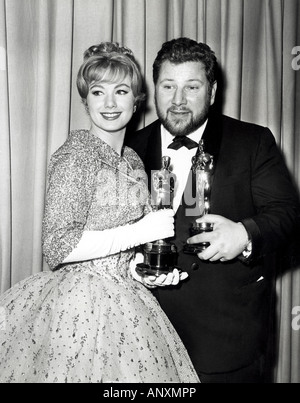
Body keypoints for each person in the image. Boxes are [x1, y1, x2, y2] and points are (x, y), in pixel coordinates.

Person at [0, 42, 200, 383]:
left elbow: (126, 249)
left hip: (128, 301)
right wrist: (140, 233)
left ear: (136, 100)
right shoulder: (75, 155)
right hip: (77, 306)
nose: (109, 103)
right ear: (85, 99)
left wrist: (142, 270)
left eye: (121, 91)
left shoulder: (135, 161)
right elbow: (58, 247)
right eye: (98, 92)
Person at [125, 37, 300, 383]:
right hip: (142, 337)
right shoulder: (130, 147)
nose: (177, 100)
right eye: (168, 86)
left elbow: (289, 215)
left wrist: (244, 233)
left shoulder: (252, 142)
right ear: (154, 89)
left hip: (225, 342)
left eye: (192, 87)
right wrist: (131, 264)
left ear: (212, 91)